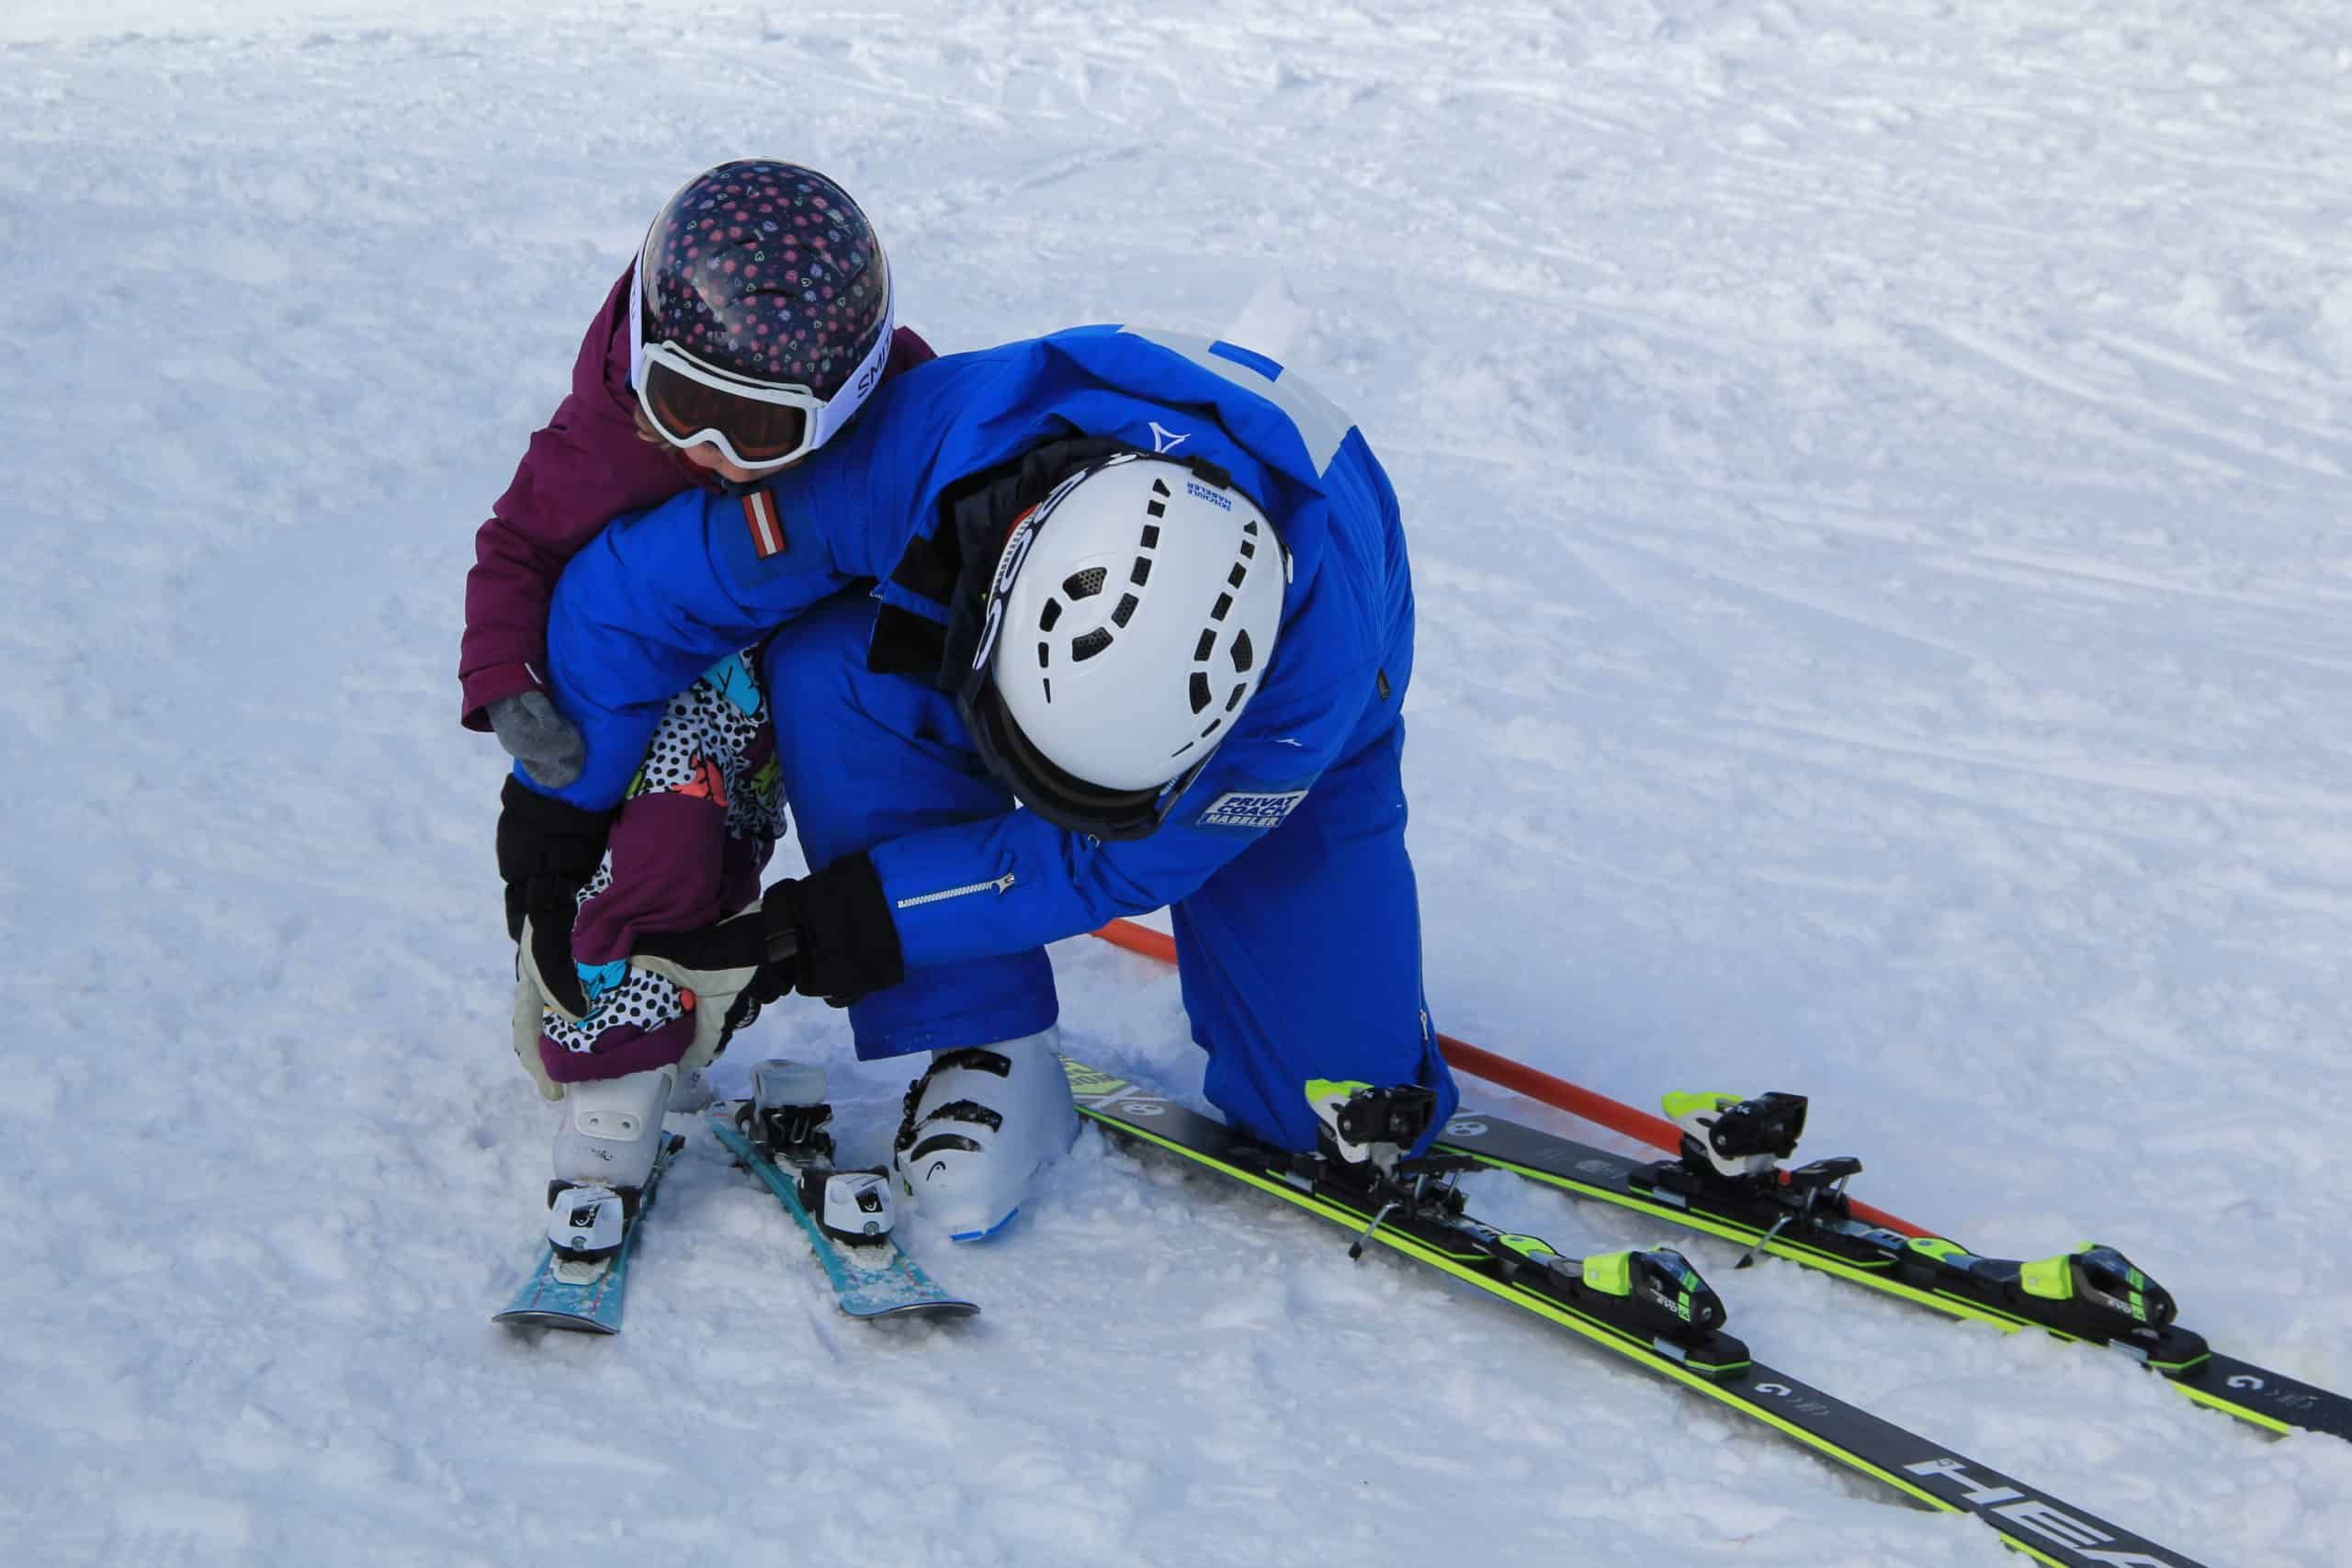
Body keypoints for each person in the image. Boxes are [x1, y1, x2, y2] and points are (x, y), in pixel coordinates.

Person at [503, 324, 1459, 1242]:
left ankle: (1346, 1039)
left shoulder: (1301, 692)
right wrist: (558, 809)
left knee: (1329, 1111)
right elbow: (635, 596)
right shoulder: (910, 462)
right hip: (1030, 488)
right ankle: (984, 1038)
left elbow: (1099, 868)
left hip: (1337, 569)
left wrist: (824, 929)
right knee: (837, 663)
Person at [460, 159, 931, 1247]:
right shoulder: (605, 440)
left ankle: (677, 1038)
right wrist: (504, 684)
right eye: (687, 409)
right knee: (651, 868)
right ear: (641, 356)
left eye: (758, 433)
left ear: (842, 404)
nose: (711, 453)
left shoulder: (889, 416)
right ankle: (608, 1066)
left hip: (774, 703)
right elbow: (516, 547)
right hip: (655, 705)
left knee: (726, 879)